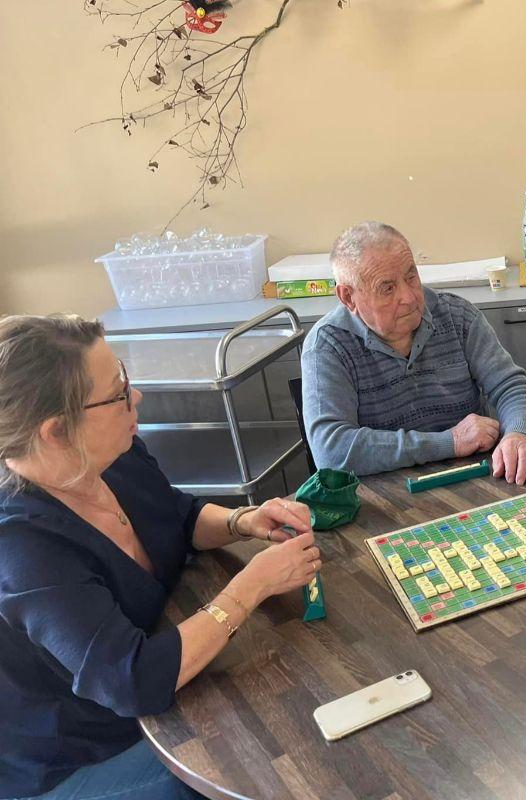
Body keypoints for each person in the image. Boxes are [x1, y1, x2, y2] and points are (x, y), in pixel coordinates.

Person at [0, 315, 322, 800]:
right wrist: (251, 585)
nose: (137, 397)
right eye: (117, 393)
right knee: (272, 766)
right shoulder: (23, 548)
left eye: (124, 378)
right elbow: (132, 680)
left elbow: (178, 515)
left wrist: (244, 521)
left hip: (165, 693)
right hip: (82, 752)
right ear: (58, 432)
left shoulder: (114, 456)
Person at [302, 222, 526, 482]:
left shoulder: (457, 316)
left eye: (411, 277)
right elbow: (331, 451)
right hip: (383, 501)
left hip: (473, 481)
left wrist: (520, 434)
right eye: (387, 288)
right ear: (348, 298)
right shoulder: (327, 346)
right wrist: (449, 442)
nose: (408, 297)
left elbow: (511, 386)